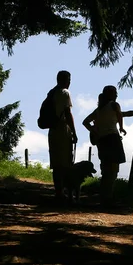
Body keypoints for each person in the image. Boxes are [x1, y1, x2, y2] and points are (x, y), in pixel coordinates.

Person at [82, 85, 133, 207]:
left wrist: (94, 131)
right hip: (113, 139)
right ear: (110, 94)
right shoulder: (114, 105)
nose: (117, 95)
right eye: (115, 92)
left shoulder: (99, 110)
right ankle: (108, 198)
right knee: (113, 169)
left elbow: (85, 122)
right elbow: (122, 115)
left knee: (106, 169)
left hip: (101, 141)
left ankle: (104, 197)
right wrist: (121, 127)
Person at [48, 70, 78, 202]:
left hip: (52, 129)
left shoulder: (51, 92)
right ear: (67, 80)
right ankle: (65, 192)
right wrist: (73, 132)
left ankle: (58, 192)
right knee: (65, 161)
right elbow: (67, 113)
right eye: (69, 80)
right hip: (62, 128)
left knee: (56, 162)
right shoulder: (65, 93)